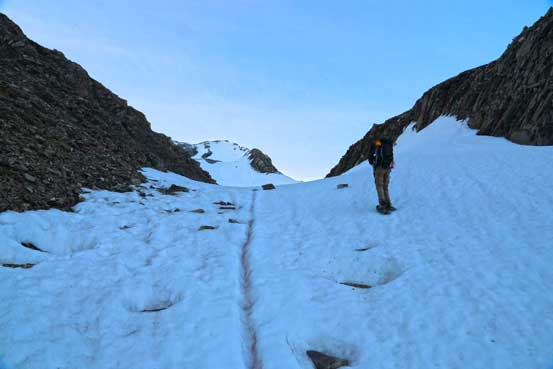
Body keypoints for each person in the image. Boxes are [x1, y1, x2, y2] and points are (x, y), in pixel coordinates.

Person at [368, 137, 396, 213]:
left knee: (379, 186)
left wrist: (372, 161)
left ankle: (382, 205)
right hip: (387, 168)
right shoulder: (388, 144)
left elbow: (370, 156)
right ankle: (388, 204)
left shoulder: (377, 144)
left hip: (380, 168)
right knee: (385, 187)